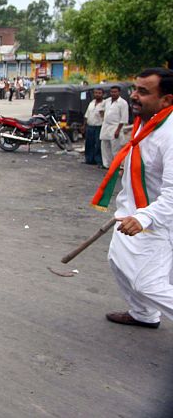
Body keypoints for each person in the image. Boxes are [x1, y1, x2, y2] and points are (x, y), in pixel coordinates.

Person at [90, 68, 173, 329]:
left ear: (167, 100)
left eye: (143, 92)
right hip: (130, 214)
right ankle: (143, 314)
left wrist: (144, 217)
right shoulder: (145, 123)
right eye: (135, 90)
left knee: (147, 283)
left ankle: (146, 309)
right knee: (118, 261)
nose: (134, 96)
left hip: (157, 220)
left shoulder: (169, 134)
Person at [100, 85, 129, 168]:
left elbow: (124, 118)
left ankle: (116, 165)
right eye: (112, 92)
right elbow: (101, 110)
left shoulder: (123, 103)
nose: (113, 93)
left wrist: (118, 130)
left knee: (115, 148)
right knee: (105, 146)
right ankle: (107, 165)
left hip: (115, 126)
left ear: (119, 92)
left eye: (115, 92)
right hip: (106, 126)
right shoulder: (107, 101)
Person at [82, 88, 105, 166]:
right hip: (90, 126)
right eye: (96, 93)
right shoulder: (91, 103)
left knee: (98, 144)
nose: (97, 94)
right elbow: (86, 115)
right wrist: (84, 125)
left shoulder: (105, 103)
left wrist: (103, 114)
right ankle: (89, 159)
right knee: (89, 143)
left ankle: (98, 160)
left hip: (99, 126)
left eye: (99, 93)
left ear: (103, 94)